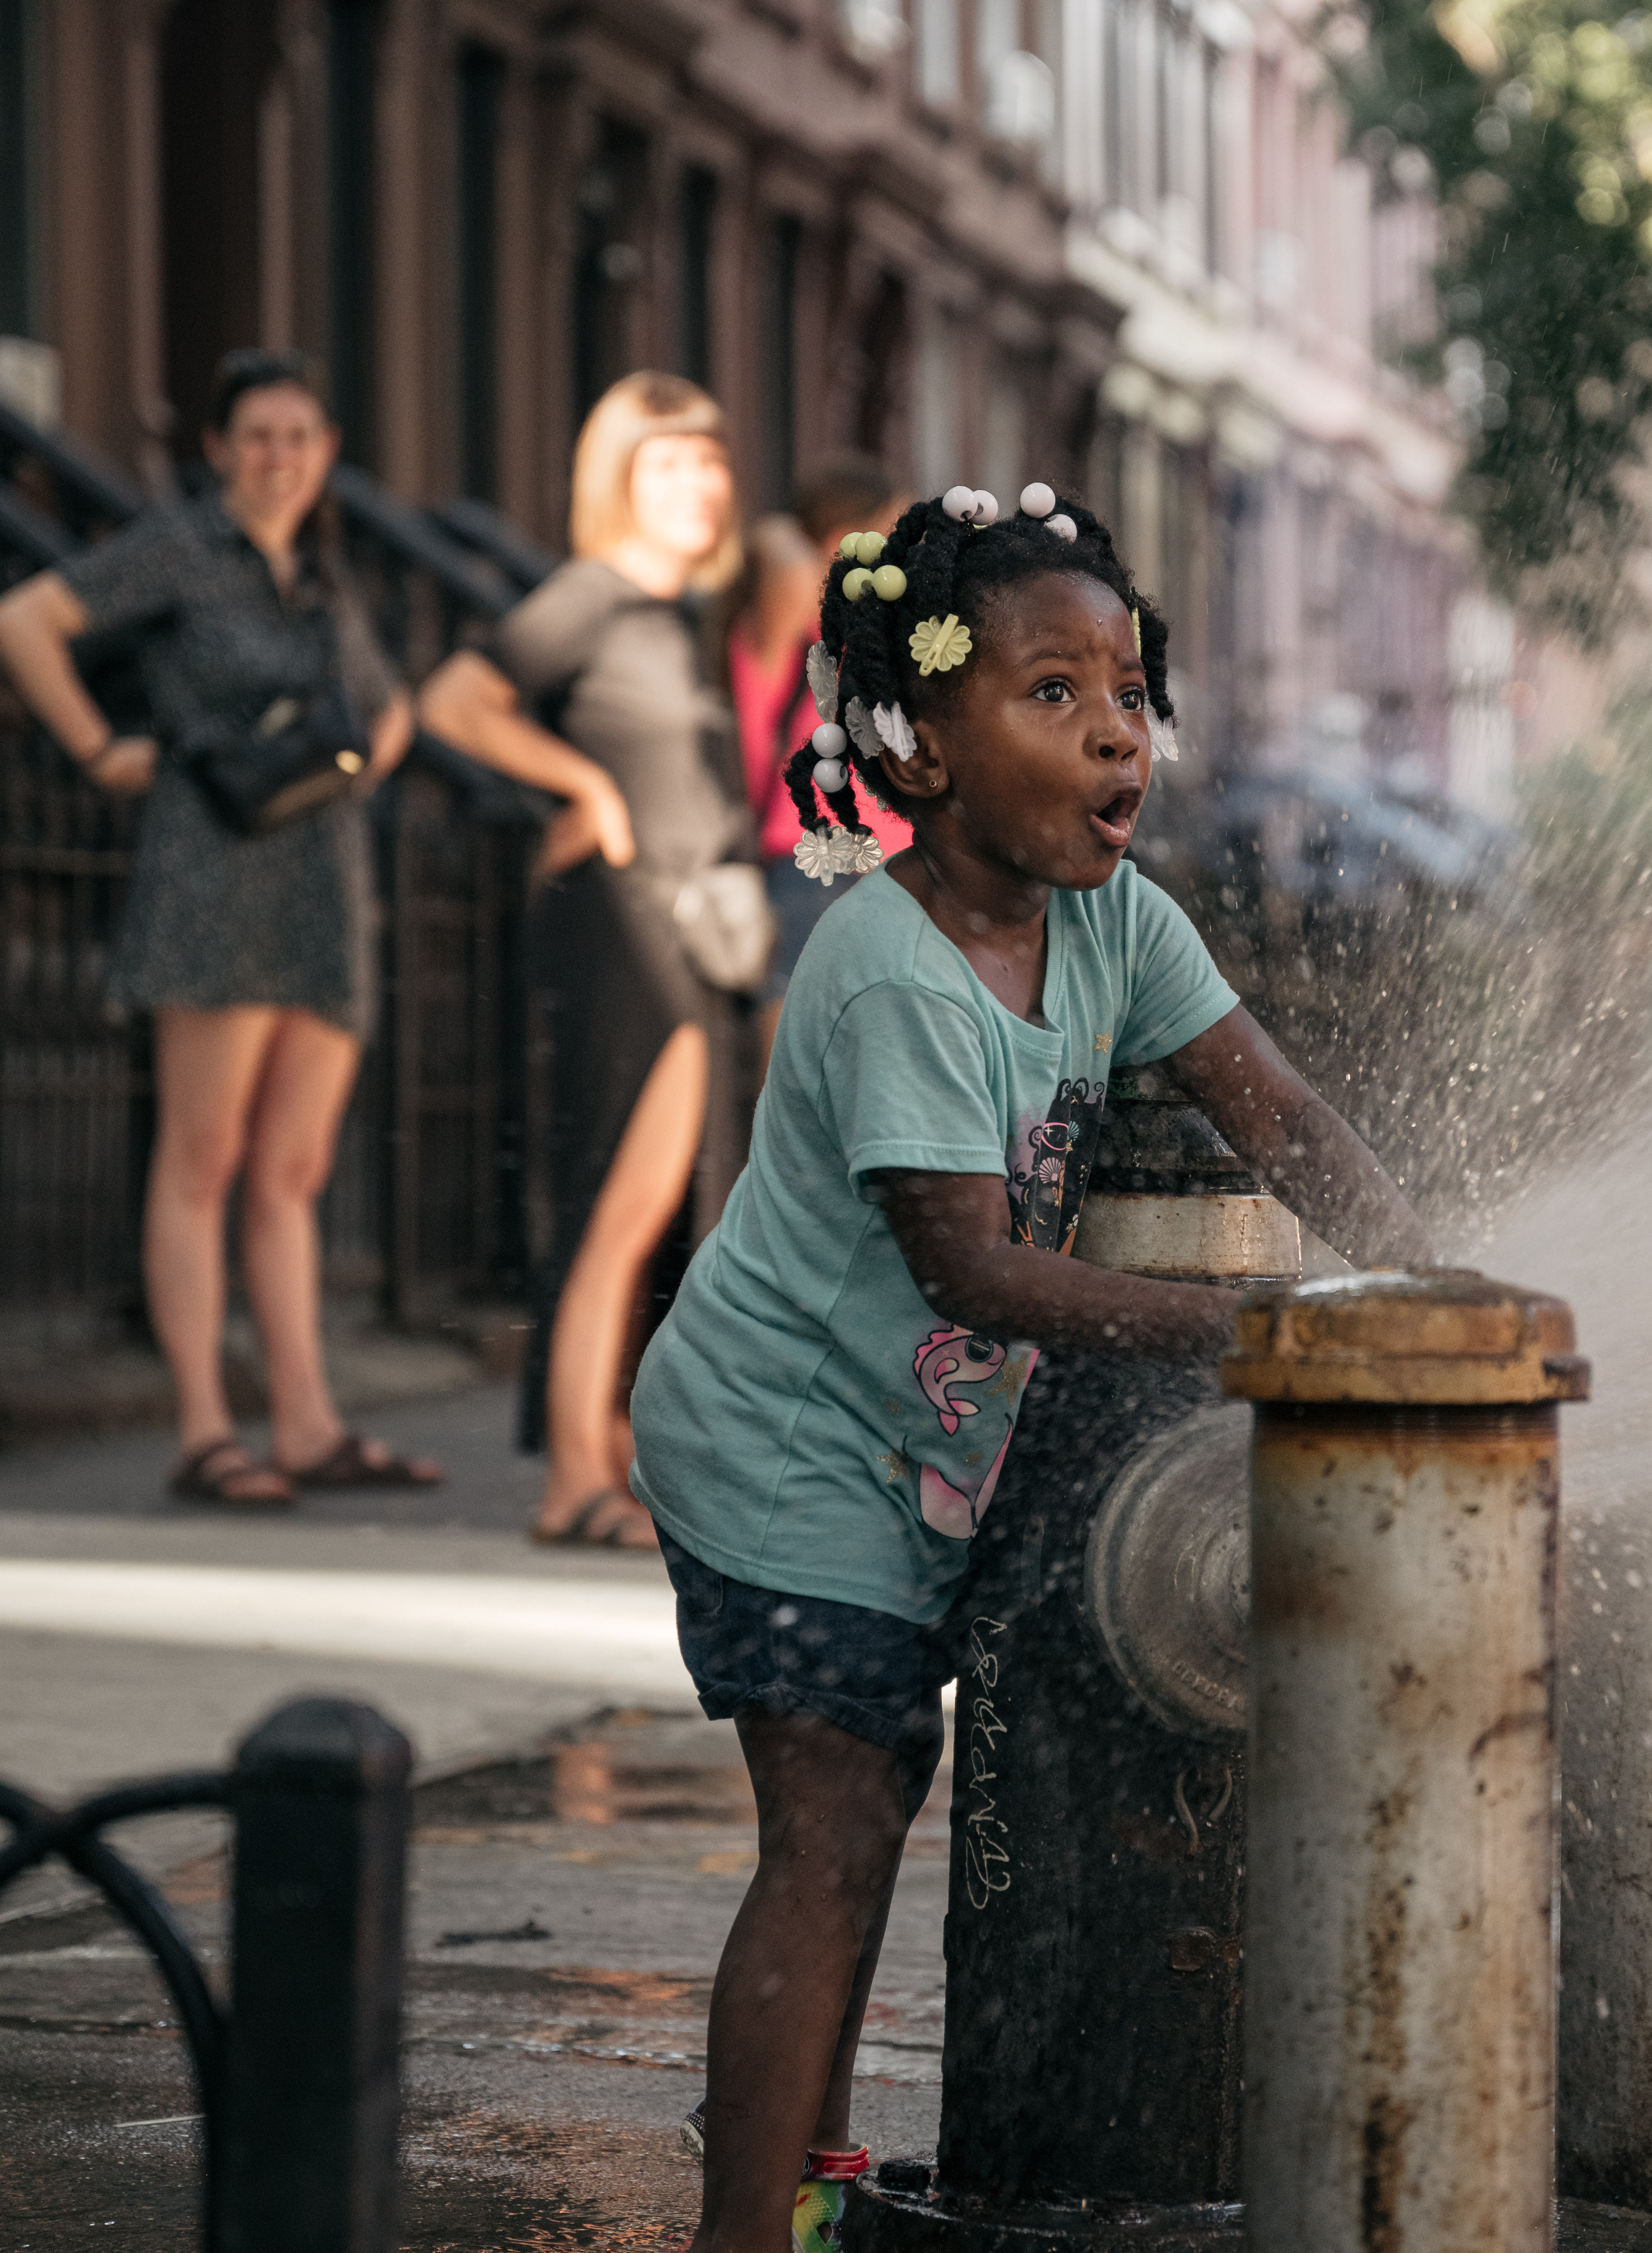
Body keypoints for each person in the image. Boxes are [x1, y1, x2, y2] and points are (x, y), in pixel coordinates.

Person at [628, 478, 1435, 2253]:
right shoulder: (893, 972)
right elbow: (973, 1269)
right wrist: (1256, 1331)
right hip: (779, 1443)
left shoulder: (1115, 923)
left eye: (1128, 691)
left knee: (867, 1800)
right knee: (833, 1821)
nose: (1114, 730)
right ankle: (745, 2229)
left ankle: (809, 2188)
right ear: (921, 747)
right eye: (1053, 693)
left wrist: (1419, 1273)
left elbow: (1280, 1115)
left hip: (895, 1446)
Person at [0, 348, 440, 1508]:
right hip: (214, 872)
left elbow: (394, 711)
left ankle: (307, 1424)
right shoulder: (180, 548)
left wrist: (355, 757)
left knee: (294, 1168)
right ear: (219, 450)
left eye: (300, 437)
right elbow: (23, 620)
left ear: (327, 453)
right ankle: (202, 1428)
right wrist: (100, 749)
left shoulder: (323, 575)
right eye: (259, 437)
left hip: (323, 878)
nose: (280, 458)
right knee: (203, 1157)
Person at [415, 372, 754, 1549]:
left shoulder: (678, 617)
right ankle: (571, 1477)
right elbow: (455, 702)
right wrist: (585, 787)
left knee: (669, 1209)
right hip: (620, 927)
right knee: (618, 1201)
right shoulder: (592, 596)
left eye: (710, 460)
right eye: (669, 463)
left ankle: (610, 1448)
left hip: (687, 931)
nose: (700, 484)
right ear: (620, 481)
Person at [717, 455, 912, 1050]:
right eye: (893, 531)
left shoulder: (867, 636)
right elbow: (780, 550)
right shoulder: (787, 621)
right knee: (798, 1042)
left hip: (891, 864)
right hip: (815, 861)